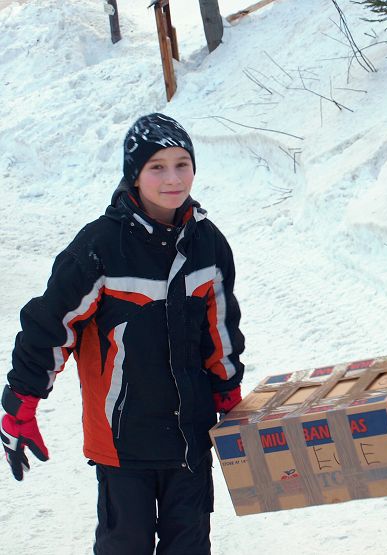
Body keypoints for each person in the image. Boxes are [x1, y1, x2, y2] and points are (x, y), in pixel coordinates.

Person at [0, 113, 245, 554]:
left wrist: (228, 396)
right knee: (124, 545)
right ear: (134, 174)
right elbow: (50, 326)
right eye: (157, 167)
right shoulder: (101, 247)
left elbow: (221, 331)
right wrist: (22, 403)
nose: (173, 179)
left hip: (189, 438)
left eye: (182, 164)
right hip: (122, 443)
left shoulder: (208, 244)